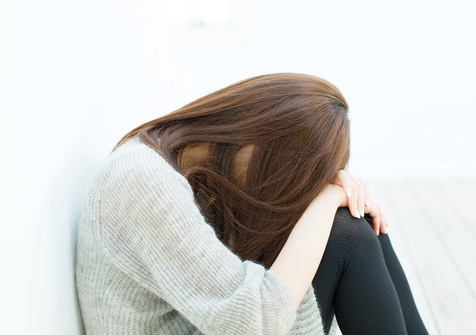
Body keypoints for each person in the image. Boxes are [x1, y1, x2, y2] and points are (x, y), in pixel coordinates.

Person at [75, 72, 429, 334]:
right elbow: (252, 320)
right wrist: (326, 200)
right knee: (348, 234)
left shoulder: (185, 171)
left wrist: (338, 197)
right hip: (237, 324)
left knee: (357, 222)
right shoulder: (143, 178)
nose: (287, 196)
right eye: (293, 180)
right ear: (264, 141)